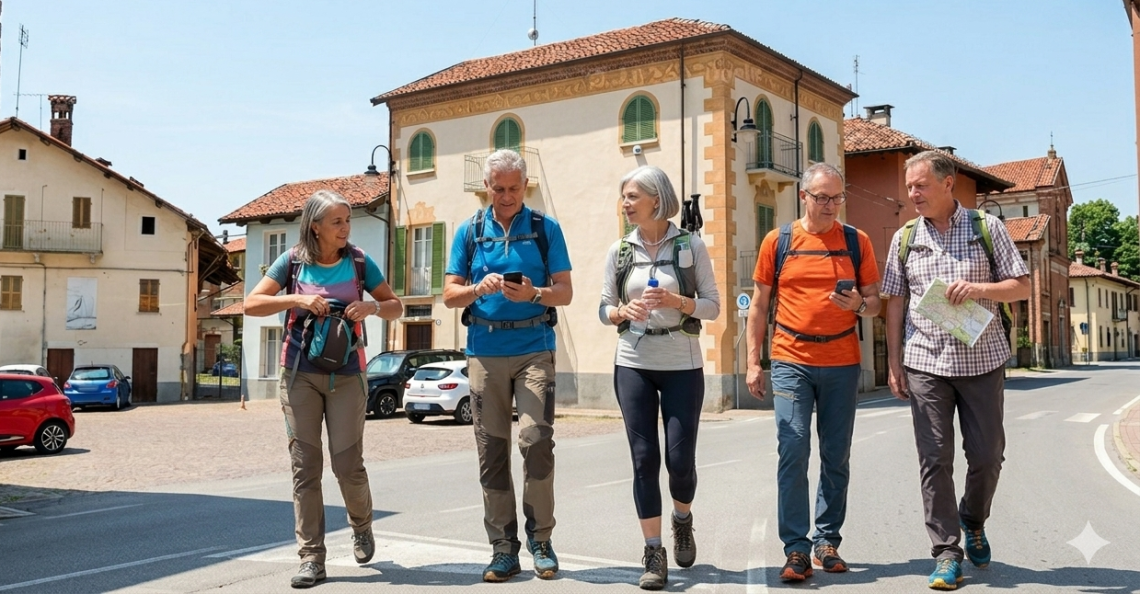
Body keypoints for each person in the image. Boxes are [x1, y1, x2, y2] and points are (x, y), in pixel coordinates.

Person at [882, 151, 1029, 590]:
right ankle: (947, 552)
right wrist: (894, 362)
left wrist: (980, 288)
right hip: (926, 362)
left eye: (921, 185)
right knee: (934, 458)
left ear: (948, 184)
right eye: (909, 187)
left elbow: (1021, 285)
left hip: (982, 362)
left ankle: (973, 518)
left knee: (987, 456)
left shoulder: (989, 229)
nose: (913, 194)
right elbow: (894, 303)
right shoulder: (905, 238)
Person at [245, 190, 401, 589]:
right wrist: (296, 298)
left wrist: (372, 307)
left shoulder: (360, 262)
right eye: (337, 222)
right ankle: (312, 558)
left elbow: (395, 305)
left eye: (347, 221)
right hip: (299, 373)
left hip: (349, 374)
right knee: (305, 467)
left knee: (348, 465)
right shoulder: (292, 261)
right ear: (315, 226)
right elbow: (252, 304)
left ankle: (362, 525)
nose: (345, 228)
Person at [745, 162, 882, 583]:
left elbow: (876, 301)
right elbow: (759, 306)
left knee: (835, 453)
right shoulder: (778, 241)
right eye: (821, 197)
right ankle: (796, 549)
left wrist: (858, 304)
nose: (829, 205)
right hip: (790, 360)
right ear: (803, 196)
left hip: (842, 362)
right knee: (794, 446)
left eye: (836, 198)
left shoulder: (857, 242)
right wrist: (754, 361)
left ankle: (827, 541)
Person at [442, 149, 573, 583]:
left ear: (525, 184)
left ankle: (541, 541)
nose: (506, 196)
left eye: (514, 188)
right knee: (491, 451)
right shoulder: (470, 231)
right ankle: (502, 548)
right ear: (487, 187)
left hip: (535, 347)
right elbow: (449, 295)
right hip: (484, 351)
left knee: (536, 441)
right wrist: (478, 288)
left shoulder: (544, 228)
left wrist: (535, 293)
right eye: (498, 189)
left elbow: (566, 293)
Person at [598, 166, 721, 591]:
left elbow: (713, 306)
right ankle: (653, 551)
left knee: (680, 463)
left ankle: (682, 519)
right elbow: (603, 308)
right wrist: (621, 312)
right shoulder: (620, 250)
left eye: (633, 196)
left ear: (656, 198)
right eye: (624, 196)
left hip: (682, 365)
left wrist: (676, 300)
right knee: (643, 459)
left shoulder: (690, 246)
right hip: (632, 360)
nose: (626, 204)